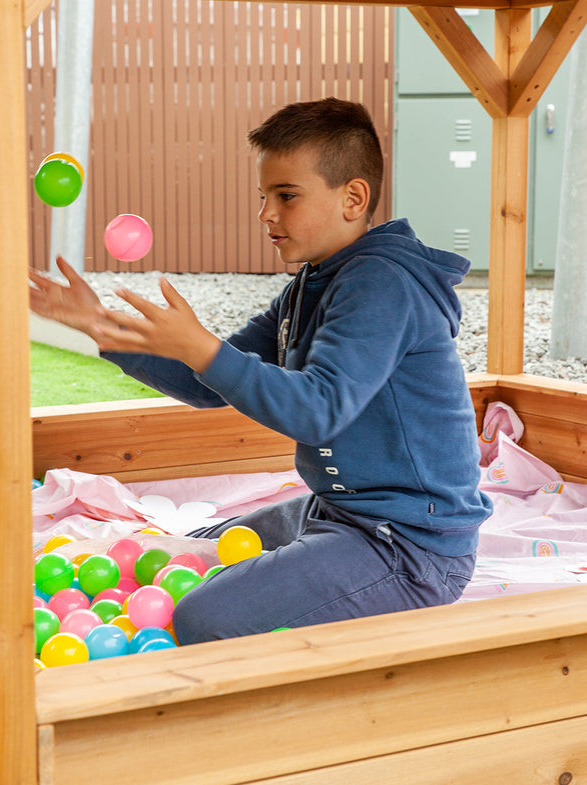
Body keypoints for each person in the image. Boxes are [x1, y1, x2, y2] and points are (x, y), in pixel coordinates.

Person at [28, 97, 492, 645]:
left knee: (204, 617)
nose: (266, 214)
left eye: (286, 196)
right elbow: (204, 384)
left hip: (410, 547)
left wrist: (202, 347)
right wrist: (98, 326)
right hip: (338, 511)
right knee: (196, 547)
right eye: (263, 196)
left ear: (353, 198)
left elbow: (318, 410)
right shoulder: (310, 285)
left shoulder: (383, 285)